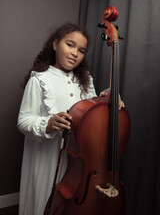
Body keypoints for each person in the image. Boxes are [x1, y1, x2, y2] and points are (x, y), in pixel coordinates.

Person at [17, 23, 124, 215]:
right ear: (55, 44)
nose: (75, 52)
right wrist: (48, 124)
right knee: (45, 202)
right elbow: (24, 121)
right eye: (70, 45)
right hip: (47, 158)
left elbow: (92, 113)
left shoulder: (85, 80)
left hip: (79, 161)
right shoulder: (40, 79)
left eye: (81, 50)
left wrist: (109, 97)